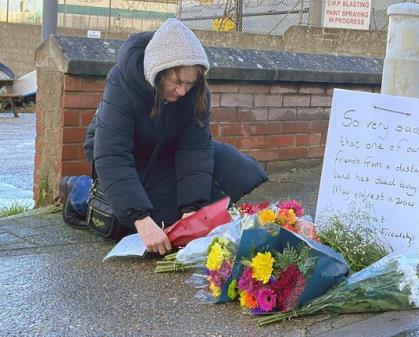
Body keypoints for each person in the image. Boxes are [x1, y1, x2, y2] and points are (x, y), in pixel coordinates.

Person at [62, 18, 267, 255]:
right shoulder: (121, 82)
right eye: (176, 82)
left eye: (190, 83)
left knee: (234, 166)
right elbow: (112, 155)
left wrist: (192, 210)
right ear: (157, 72)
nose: (182, 91)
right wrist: (140, 218)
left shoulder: (195, 92)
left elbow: (195, 149)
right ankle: (80, 191)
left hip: (163, 149)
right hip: (122, 154)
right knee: (141, 225)